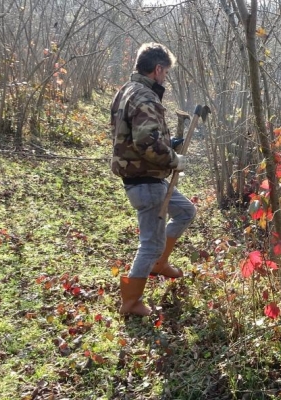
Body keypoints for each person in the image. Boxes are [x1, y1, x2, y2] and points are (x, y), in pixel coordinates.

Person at [110, 42, 196, 317]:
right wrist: (173, 159)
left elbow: (137, 135)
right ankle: (131, 303)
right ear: (157, 69)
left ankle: (160, 264)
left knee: (185, 211)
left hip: (147, 177)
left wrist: (169, 143)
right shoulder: (145, 97)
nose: (166, 78)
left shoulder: (127, 91)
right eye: (166, 73)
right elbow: (146, 142)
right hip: (145, 181)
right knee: (150, 243)